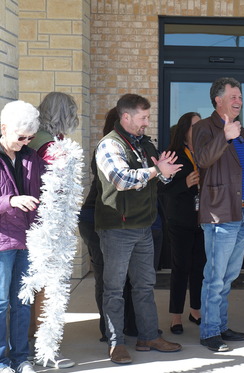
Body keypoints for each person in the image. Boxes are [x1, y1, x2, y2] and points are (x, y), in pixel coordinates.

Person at [95, 93, 182, 364]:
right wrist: (157, 172)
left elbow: (155, 182)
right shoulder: (109, 145)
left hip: (144, 226)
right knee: (114, 289)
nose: (147, 122)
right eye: (143, 117)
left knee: (145, 286)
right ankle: (116, 343)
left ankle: (148, 336)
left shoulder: (144, 144)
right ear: (126, 117)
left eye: (147, 117)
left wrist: (166, 174)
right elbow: (121, 179)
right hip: (117, 229)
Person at [192, 77, 244, 352]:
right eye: (233, 96)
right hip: (221, 214)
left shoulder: (241, 130)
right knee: (214, 276)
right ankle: (209, 332)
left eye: (240, 96)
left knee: (229, 276)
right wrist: (225, 136)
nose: (239, 101)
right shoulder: (205, 127)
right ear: (218, 100)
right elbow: (202, 160)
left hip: (243, 211)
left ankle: (221, 326)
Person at [28, 92, 79, 369]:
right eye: (72, 112)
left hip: (38, 222)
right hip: (48, 225)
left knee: (38, 287)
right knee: (48, 289)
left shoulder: (37, 139)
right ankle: (43, 349)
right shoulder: (49, 146)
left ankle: (34, 345)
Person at [0, 100, 43, 373]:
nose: (24, 142)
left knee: (22, 302)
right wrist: (11, 201)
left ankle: (21, 358)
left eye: (29, 137)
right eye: (20, 137)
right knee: (1, 302)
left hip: (28, 240)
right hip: (3, 240)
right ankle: (2, 361)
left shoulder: (31, 157)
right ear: (3, 128)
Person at [159, 112, 206, 334]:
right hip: (180, 219)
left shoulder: (206, 152)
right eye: (194, 126)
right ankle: (176, 315)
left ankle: (195, 310)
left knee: (199, 267)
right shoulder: (172, 154)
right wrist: (185, 183)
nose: (198, 129)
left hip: (203, 219)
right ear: (185, 129)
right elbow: (161, 189)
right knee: (180, 268)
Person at [78, 107, 119, 343]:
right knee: (104, 275)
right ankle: (108, 330)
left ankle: (118, 326)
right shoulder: (106, 147)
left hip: (103, 218)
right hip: (93, 219)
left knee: (114, 276)